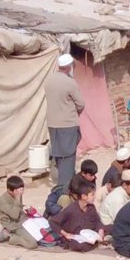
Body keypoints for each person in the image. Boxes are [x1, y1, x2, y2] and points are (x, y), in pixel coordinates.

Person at [45, 53, 85, 193]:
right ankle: (65, 189)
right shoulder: (69, 82)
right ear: (69, 67)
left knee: (59, 155)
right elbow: (81, 103)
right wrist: (75, 113)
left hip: (52, 124)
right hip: (67, 124)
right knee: (68, 156)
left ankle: (64, 181)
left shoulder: (49, 80)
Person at [49, 181, 105, 252]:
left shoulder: (91, 207)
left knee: (110, 227)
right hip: (75, 236)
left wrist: (101, 230)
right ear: (84, 196)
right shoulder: (71, 208)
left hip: (89, 233)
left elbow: (97, 221)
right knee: (80, 246)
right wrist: (66, 234)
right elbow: (53, 222)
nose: (94, 197)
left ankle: (95, 241)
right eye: (92, 195)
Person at [0, 176, 38, 250]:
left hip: (21, 219)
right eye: (19, 190)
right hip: (13, 225)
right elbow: (14, 215)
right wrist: (17, 198)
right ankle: (11, 237)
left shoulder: (16, 194)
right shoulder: (3, 200)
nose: (21, 192)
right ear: (9, 190)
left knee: (40, 233)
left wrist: (26, 208)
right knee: (32, 244)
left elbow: (18, 207)